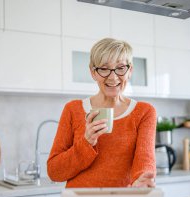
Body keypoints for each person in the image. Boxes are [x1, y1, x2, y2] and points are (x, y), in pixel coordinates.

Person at [47, 38, 156, 188]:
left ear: (130, 71)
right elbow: (54, 172)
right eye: (104, 69)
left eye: (120, 68)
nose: (113, 77)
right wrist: (86, 143)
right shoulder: (73, 110)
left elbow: (145, 161)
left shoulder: (144, 112)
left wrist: (142, 180)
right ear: (93, 72)